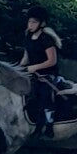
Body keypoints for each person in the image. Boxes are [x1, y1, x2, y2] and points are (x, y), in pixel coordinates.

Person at [22, 7, 63, 135]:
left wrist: (34, 67)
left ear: (42, 23)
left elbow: (52, 61)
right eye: (29, 22)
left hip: (47, 75)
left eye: (34, 22)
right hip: (32, 74)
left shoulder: (46, 39)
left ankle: (49, 126)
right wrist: (20, 68)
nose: (30, 25)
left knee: (45, 96)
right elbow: (26, 57)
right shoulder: (28, 37)